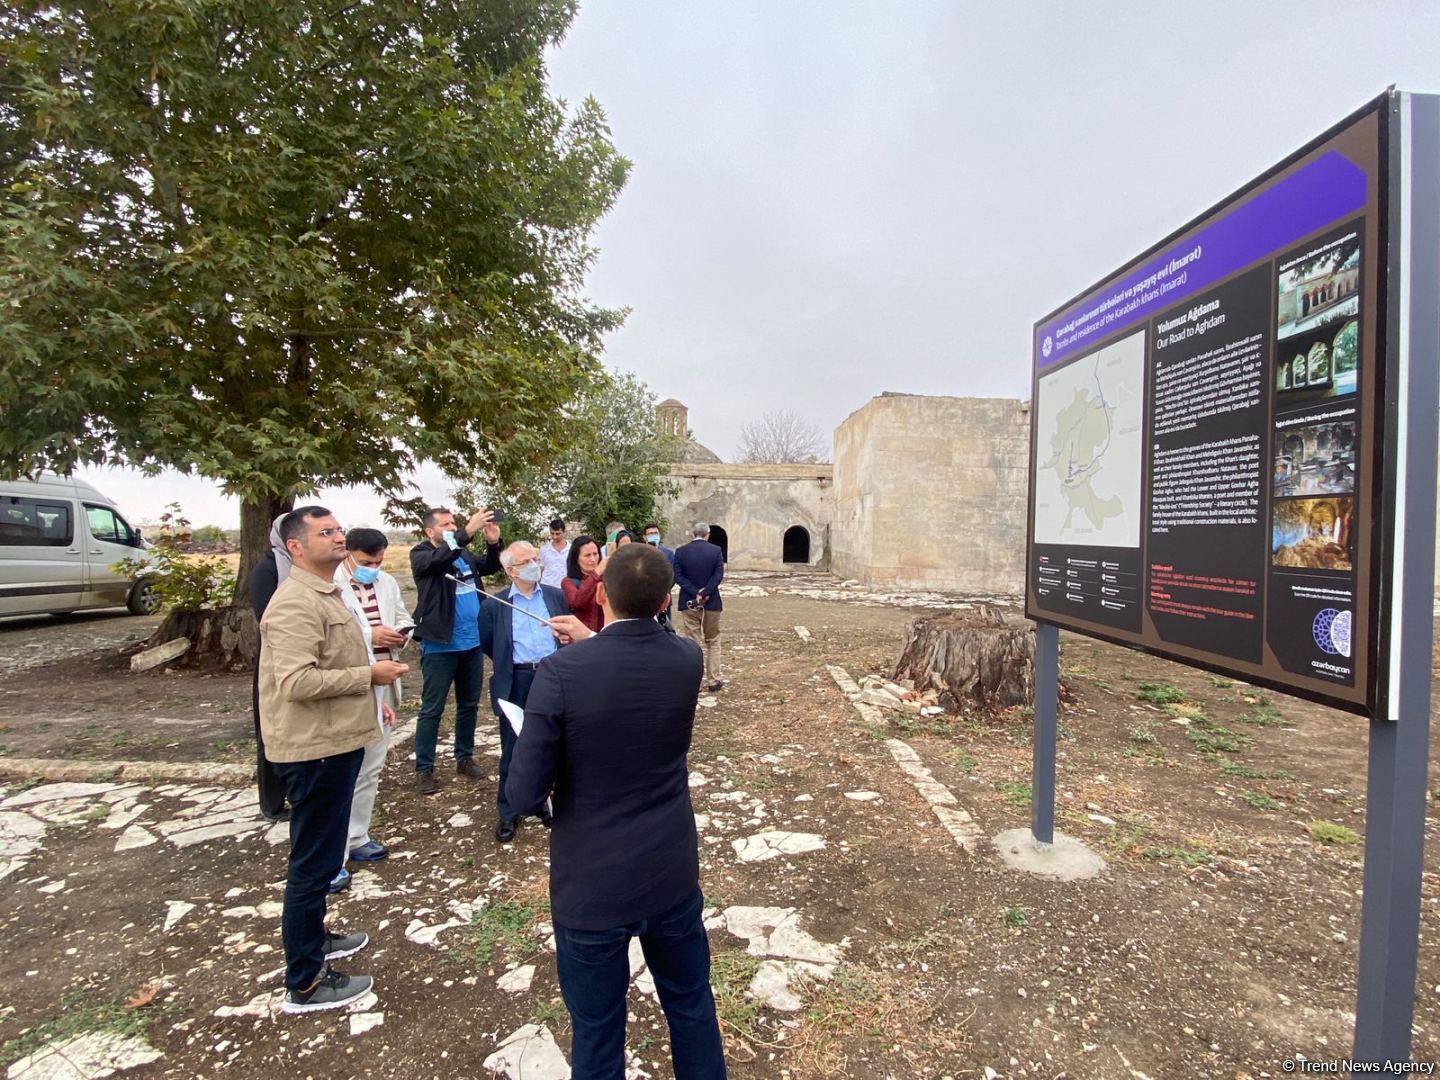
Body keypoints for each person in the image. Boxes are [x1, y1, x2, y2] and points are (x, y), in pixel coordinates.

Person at [507, 544, 726, 1079]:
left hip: (593, 879)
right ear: (667, 599)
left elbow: (524, 794)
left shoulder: (560, 673)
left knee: (599, 1027)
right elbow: (637, 663)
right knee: (691, 1006)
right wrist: (595, 642)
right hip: (669, 866)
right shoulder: (687, 658)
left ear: (600, 592)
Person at [259, 506, 407, 1014]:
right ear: (296, 547)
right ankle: (304, 980)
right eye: (326, 532)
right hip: (314, 748)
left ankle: (317, 938)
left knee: (322, 859)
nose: (338, 537)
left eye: (339, 529)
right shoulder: (294, 604)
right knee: (311, 863)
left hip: (337, 739)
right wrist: (370, 675)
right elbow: (296, 683)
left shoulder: (328, 592)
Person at [478, 541, 569, 843]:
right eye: (526, 561)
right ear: (510, 569)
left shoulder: (555, 597)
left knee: (552, 744)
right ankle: (508, 811)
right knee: (513, 748)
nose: (535, 564)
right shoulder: (495, 605)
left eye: (536, 558)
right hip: (516, 680)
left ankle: (546, 803)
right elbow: (492, 646)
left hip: (551, 676)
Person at [408, 507, 503, 795]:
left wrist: (494, 543)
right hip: (440, 646)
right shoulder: (422, 554)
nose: (452, 527)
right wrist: (467, 532)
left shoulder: (461, 553)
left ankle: (464, 757)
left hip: (471, 644)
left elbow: (487, 566)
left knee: (469, 704)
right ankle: (425, 768)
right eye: (446, 524)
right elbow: (439, 561)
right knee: (432, 709)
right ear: (430, 531)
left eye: (454, 523)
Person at [336, 528, 413, 865]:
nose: (375, 567)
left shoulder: (387, 583)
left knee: (371, 766)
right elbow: (334, 634)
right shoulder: (332, 586)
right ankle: (333, 855)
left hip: (384, 679)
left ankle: (357, 836)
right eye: (368, 562)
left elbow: (402, 617)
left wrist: (400, 635)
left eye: (380, 561)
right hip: (349, 683)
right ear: (348, 555)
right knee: (342, 772)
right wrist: (371, 633)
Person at [248, 514, 295, 823]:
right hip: (276, 660)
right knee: (272, 731)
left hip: (305, 658)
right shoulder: (267, 569)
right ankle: (272, 802)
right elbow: (270, 618)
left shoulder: (307, 570)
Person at [673, 523, 726, 692]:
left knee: (692, 641)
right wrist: (705, 592)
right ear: (707, 535)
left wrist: (695, 592)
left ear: (692, 535)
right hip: (712, 601)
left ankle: (693, 682)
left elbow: (678, 576)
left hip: (689, 600)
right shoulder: (716, 551)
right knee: (713, 639)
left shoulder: (681, 552)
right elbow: (718, 575)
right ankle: (714, 679)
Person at [561, 535, 605, 634]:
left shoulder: (606, 579)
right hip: (583, 638)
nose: (593, 559)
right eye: (587, 555)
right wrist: (596, 574)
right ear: (576, 559)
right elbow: (577, 602)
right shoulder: (568, 582)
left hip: (606, 636)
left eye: (595, 554)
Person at [642, 523, 676, 632]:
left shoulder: (668, 554)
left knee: (665, 629)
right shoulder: (640, 552)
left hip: (664, 598)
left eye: (655, 533)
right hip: (644, 600)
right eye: (650, 534)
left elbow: (673, 575)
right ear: (644, 537)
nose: (653, 535)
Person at [539, 518, 571, 588]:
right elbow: (541, 569)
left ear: (564, 531)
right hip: (547, 587)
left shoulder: (572, 549)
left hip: (566, 589)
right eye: (552, 533)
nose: (554, 536)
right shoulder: (544, 549)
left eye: (558, 534)